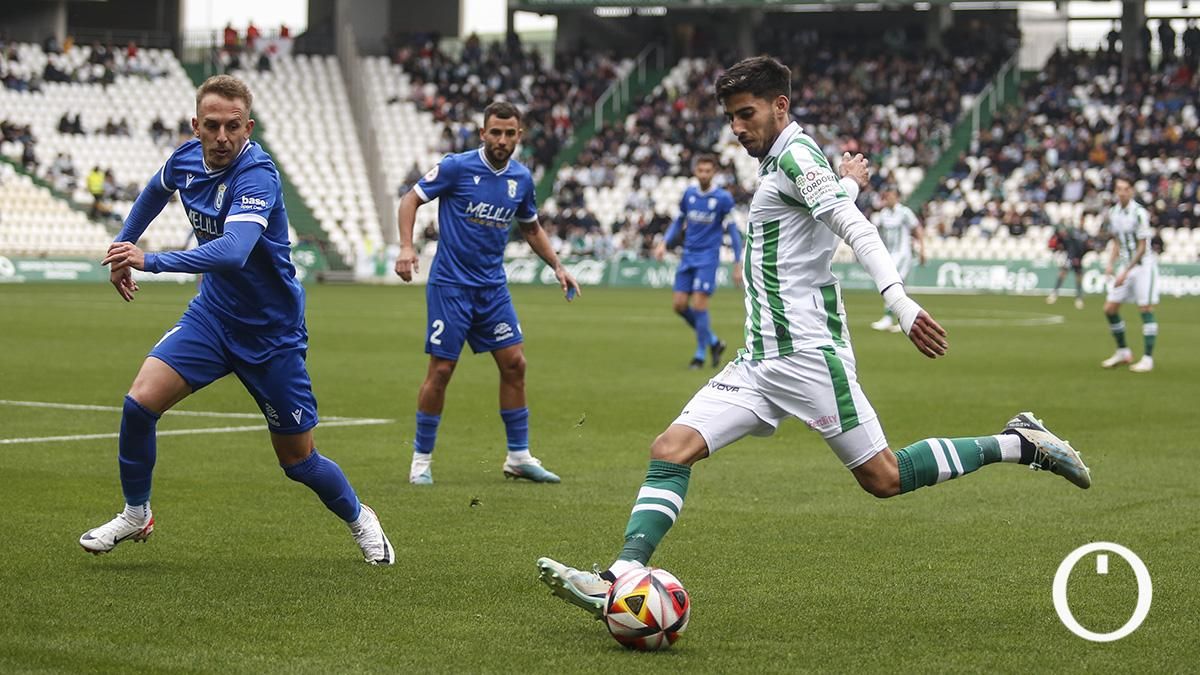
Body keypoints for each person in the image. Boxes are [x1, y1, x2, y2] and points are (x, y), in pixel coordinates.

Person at [535, 56, 1091, 617]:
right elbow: (821, 210)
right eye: (730, 117)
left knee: (885, 477)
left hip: (806, 356)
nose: (736, 128)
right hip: (758, 361)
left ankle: (1022, 444)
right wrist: (847, 182)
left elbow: (855, 228)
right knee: (670, 451)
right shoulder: (787, 158)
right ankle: (621, 574)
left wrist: (897, 300)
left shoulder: (796, 155)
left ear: (781, 106)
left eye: (746, 114)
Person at [79, 75, 394, 565]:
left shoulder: (257, 175)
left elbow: (233, 251)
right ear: (195, 126)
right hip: (213, 317)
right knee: (139, 404)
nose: (222, 136)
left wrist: (150, 260)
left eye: (232, 126)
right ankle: (136, 512)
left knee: (299, 461)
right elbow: (154, 191)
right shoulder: (185, 159)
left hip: (271, 334)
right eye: (212, 125)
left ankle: (361, 518)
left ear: (248, 126)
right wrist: (123, 246)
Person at [394, 101, 581, 486]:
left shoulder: (522, 179)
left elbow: (531, 228)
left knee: (515, 364)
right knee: (442, 370)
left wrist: (557, 266)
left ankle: (518, 457)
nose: (502, 139)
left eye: (509, 133)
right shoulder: (456, 167)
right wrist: (406, 247)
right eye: (495, 132)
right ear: (482, 133)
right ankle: (421, 461)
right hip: (451, 286)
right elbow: (410, 199)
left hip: (492, 288)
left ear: (519, 136)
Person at [653, 154, 742, 369]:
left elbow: (733, 230)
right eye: (700, 170)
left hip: (708, 258)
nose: (704, 174)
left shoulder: (723, 199)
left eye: (708, 171)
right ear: (695, 171)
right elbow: (678, 222)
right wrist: (664, 242)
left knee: (699, 305)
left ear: (714, 173)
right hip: (688, 256)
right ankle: (713, 341)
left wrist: (738, 263)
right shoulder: (689, 195)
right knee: (679, 305)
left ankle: (700, 355)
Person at [1100, 176, 1158, 373]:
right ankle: (1123, 352)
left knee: (1145, 309)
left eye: (1125, 189)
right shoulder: (1113, 213)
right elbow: (1116, 242)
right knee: (1110, 309)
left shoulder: (1140, 213)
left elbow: (1143, 247)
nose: (1122, 192)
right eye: (1119, 189)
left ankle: (1148, 359)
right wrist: (1110, 264)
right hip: (1125, 266)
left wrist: (1125, 271)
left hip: (1143, 267)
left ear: (1132, 191)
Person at [868, 186, 924, 332]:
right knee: (892, 285)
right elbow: (877, 231)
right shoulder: (883, 214)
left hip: (903, 254)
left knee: (893, 283)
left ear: (897, 197)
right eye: (886, 196)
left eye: (891, 196)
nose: (888, 198)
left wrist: (922, 248)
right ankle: (900, 318)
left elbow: (917, 228)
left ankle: (895, 318)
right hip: (888, 253)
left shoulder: (904, 212)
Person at [1046, 224, 1090, 309]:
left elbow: (1081, 250)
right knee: (1062, 274)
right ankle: (1054, 294)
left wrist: (1078, 259)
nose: (1063, 233)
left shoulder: (1076, 241)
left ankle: (1079, 298)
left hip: (1077, 259)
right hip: (1070, 259)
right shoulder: (1065, 240)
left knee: (1078, 279)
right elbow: (1058, 246)